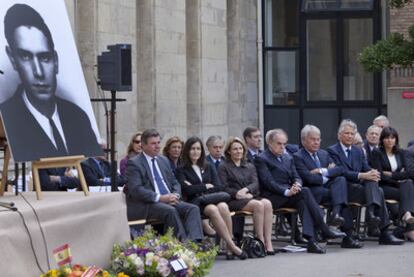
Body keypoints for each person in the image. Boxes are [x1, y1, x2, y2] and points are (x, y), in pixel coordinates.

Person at [0, 4, 100, 162]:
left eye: (44, 57)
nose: (38, 72)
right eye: (25, 57)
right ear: (13, 59)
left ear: (56, 61)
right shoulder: (8, 116)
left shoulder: (78, 117)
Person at [255, 129, 346, 254]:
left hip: (290, 195)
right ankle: (323, 228)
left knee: (303, 200)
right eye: (279, 144)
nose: (282, 147)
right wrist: (287, 191)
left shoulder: (287, 157)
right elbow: (268, 182)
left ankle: (312, 241)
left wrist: (297, 184)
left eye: (284, 144)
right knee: (305, 192)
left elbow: (296, 176)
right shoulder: (261, 159)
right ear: (270, 143)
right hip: (273, 197)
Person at [327, 119, 404, 245]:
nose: (350, 136)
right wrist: (362, 175)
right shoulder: (332, 150)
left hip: (359, 189)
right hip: (342, 188)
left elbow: (366, 167)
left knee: (376, 185)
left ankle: (376, 220)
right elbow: (340, 171)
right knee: (377, 190)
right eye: (346, 133)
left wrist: (373, 173)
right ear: (339, 135)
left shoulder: (358, 151)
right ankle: (370, 226)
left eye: (352, 134)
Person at [124, 129, 203, 242]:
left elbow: (174, 181)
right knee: (170, 211)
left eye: (158, 143)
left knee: (192, 209)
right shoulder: (134, 163)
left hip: (169, 199)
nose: (157, 146)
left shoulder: (163, 160)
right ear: (143, 145)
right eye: (153, 143)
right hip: (148, 203)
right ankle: (182, 244)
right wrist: (161, 198)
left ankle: (194, 243)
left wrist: (175, 194)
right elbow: (136, 190)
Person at [176, 137, 247, 260]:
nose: (195, 151)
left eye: (198, 148)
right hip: (195, 202)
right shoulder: (181, 169)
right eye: (192, 149)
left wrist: (197, 187)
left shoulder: (208, 165)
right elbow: (187, 190)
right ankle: (232, 246)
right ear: (187, 150)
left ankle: (229, 247)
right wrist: (205, 186)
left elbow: (219, 187)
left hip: (210, 199)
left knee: (223, 206)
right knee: (213, 210)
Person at [294, 125, 362, 248]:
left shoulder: (323, 154)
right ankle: (347, 235)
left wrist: (321, 171)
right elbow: (308, 178)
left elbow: (339, 169)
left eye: (318, 139)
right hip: (313, 192)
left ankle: (336, 214)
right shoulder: (298, 156)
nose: (316, 142)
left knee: (341, 180)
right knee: (341, 197)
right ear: (304, 141)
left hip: (327, 189)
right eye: (313, 139)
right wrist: (328, 175)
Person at [218, 137, 275, 255]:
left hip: (249, 196)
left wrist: (246, 190)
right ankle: (260, 241)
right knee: (258, 205)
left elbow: (255, 183)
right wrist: (237, 193)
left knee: (267, 204)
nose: (238, 151)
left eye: (240, 149)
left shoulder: (249, 165)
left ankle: (268, 241)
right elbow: (222, 187)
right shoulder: (223, 166)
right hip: (233, 199)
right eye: (235, 149)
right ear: (229, 151)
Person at [371, 127, 414, 241]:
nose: (390, 140)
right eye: (387, 138)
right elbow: (379, 175)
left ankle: (407, 217)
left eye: (392, 138)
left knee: (409, 182)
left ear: (396, 140)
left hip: (399, 186)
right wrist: (397, 177)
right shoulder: (377, 153)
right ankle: (408, 227)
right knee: (410, 194)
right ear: (382, 140)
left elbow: (408, 173)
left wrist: (391, 174)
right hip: (383, 187)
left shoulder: (400, 152)